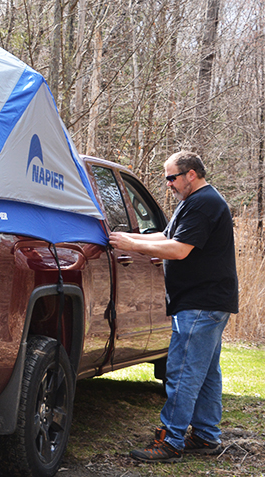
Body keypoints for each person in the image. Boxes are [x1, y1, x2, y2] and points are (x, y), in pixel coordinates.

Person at [109, 150, 238, 463]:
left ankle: (171, 440)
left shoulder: (205, 203)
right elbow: (167, 236)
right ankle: (206, 436)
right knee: (205, 372)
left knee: (182, 372)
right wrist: (128, 236)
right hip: (205, 301)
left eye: (172, 177)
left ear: (190, 174)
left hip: (201, 302)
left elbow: (178, 250)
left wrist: (131, 245)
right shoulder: (195, 202)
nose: (168, 184)